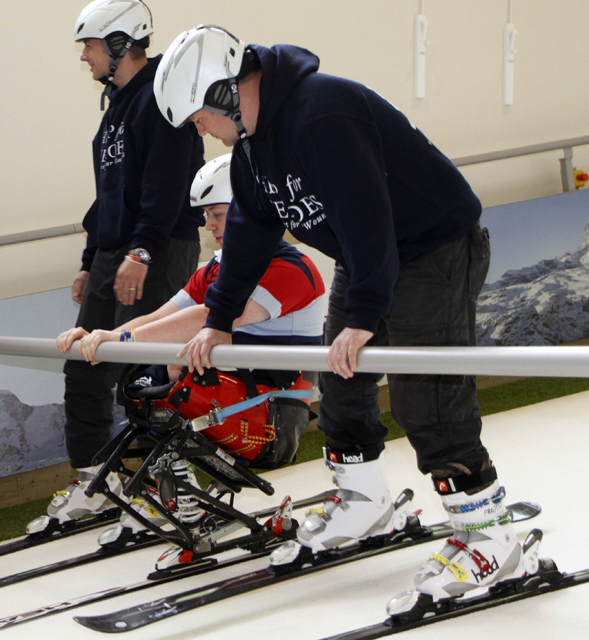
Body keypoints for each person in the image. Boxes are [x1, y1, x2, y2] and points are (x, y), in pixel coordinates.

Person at [154, 26, 517, 606]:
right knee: (341, 385)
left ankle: (492, 537)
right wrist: (217, 320)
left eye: (197, 116)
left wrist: (364, 314)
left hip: (433, 247)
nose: (199, 130)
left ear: (224, 92)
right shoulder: (251, 151)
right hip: (369, 254)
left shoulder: (322, 111)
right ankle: (365, 502)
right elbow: (249, 234)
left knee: (428, 393)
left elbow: (367, 211)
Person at [58, 153, 325, 470]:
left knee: (176, 366)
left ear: (250, 210)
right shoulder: (216, 268)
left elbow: (210, 317)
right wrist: (105, 337)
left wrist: (121, 341)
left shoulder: (291, 269)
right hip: (234, 391)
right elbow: (162, 316)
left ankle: (176, 479)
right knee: (151, 373)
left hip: (271, 411)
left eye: (217, 214)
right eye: (207, 214)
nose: (207, 224)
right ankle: (172, 480)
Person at [49, 0, 205, 524]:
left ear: (118, 45)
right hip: (117, 254)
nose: (83, 57)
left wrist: (141, 251)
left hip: (157, 248)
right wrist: (92, 259)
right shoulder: (115, 110)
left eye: (89, 46)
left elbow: (167, 186)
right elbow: (108, 195)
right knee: (84, 368)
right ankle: (96, 484)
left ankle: (176, 486)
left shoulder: (161, 100)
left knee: (148, 375)